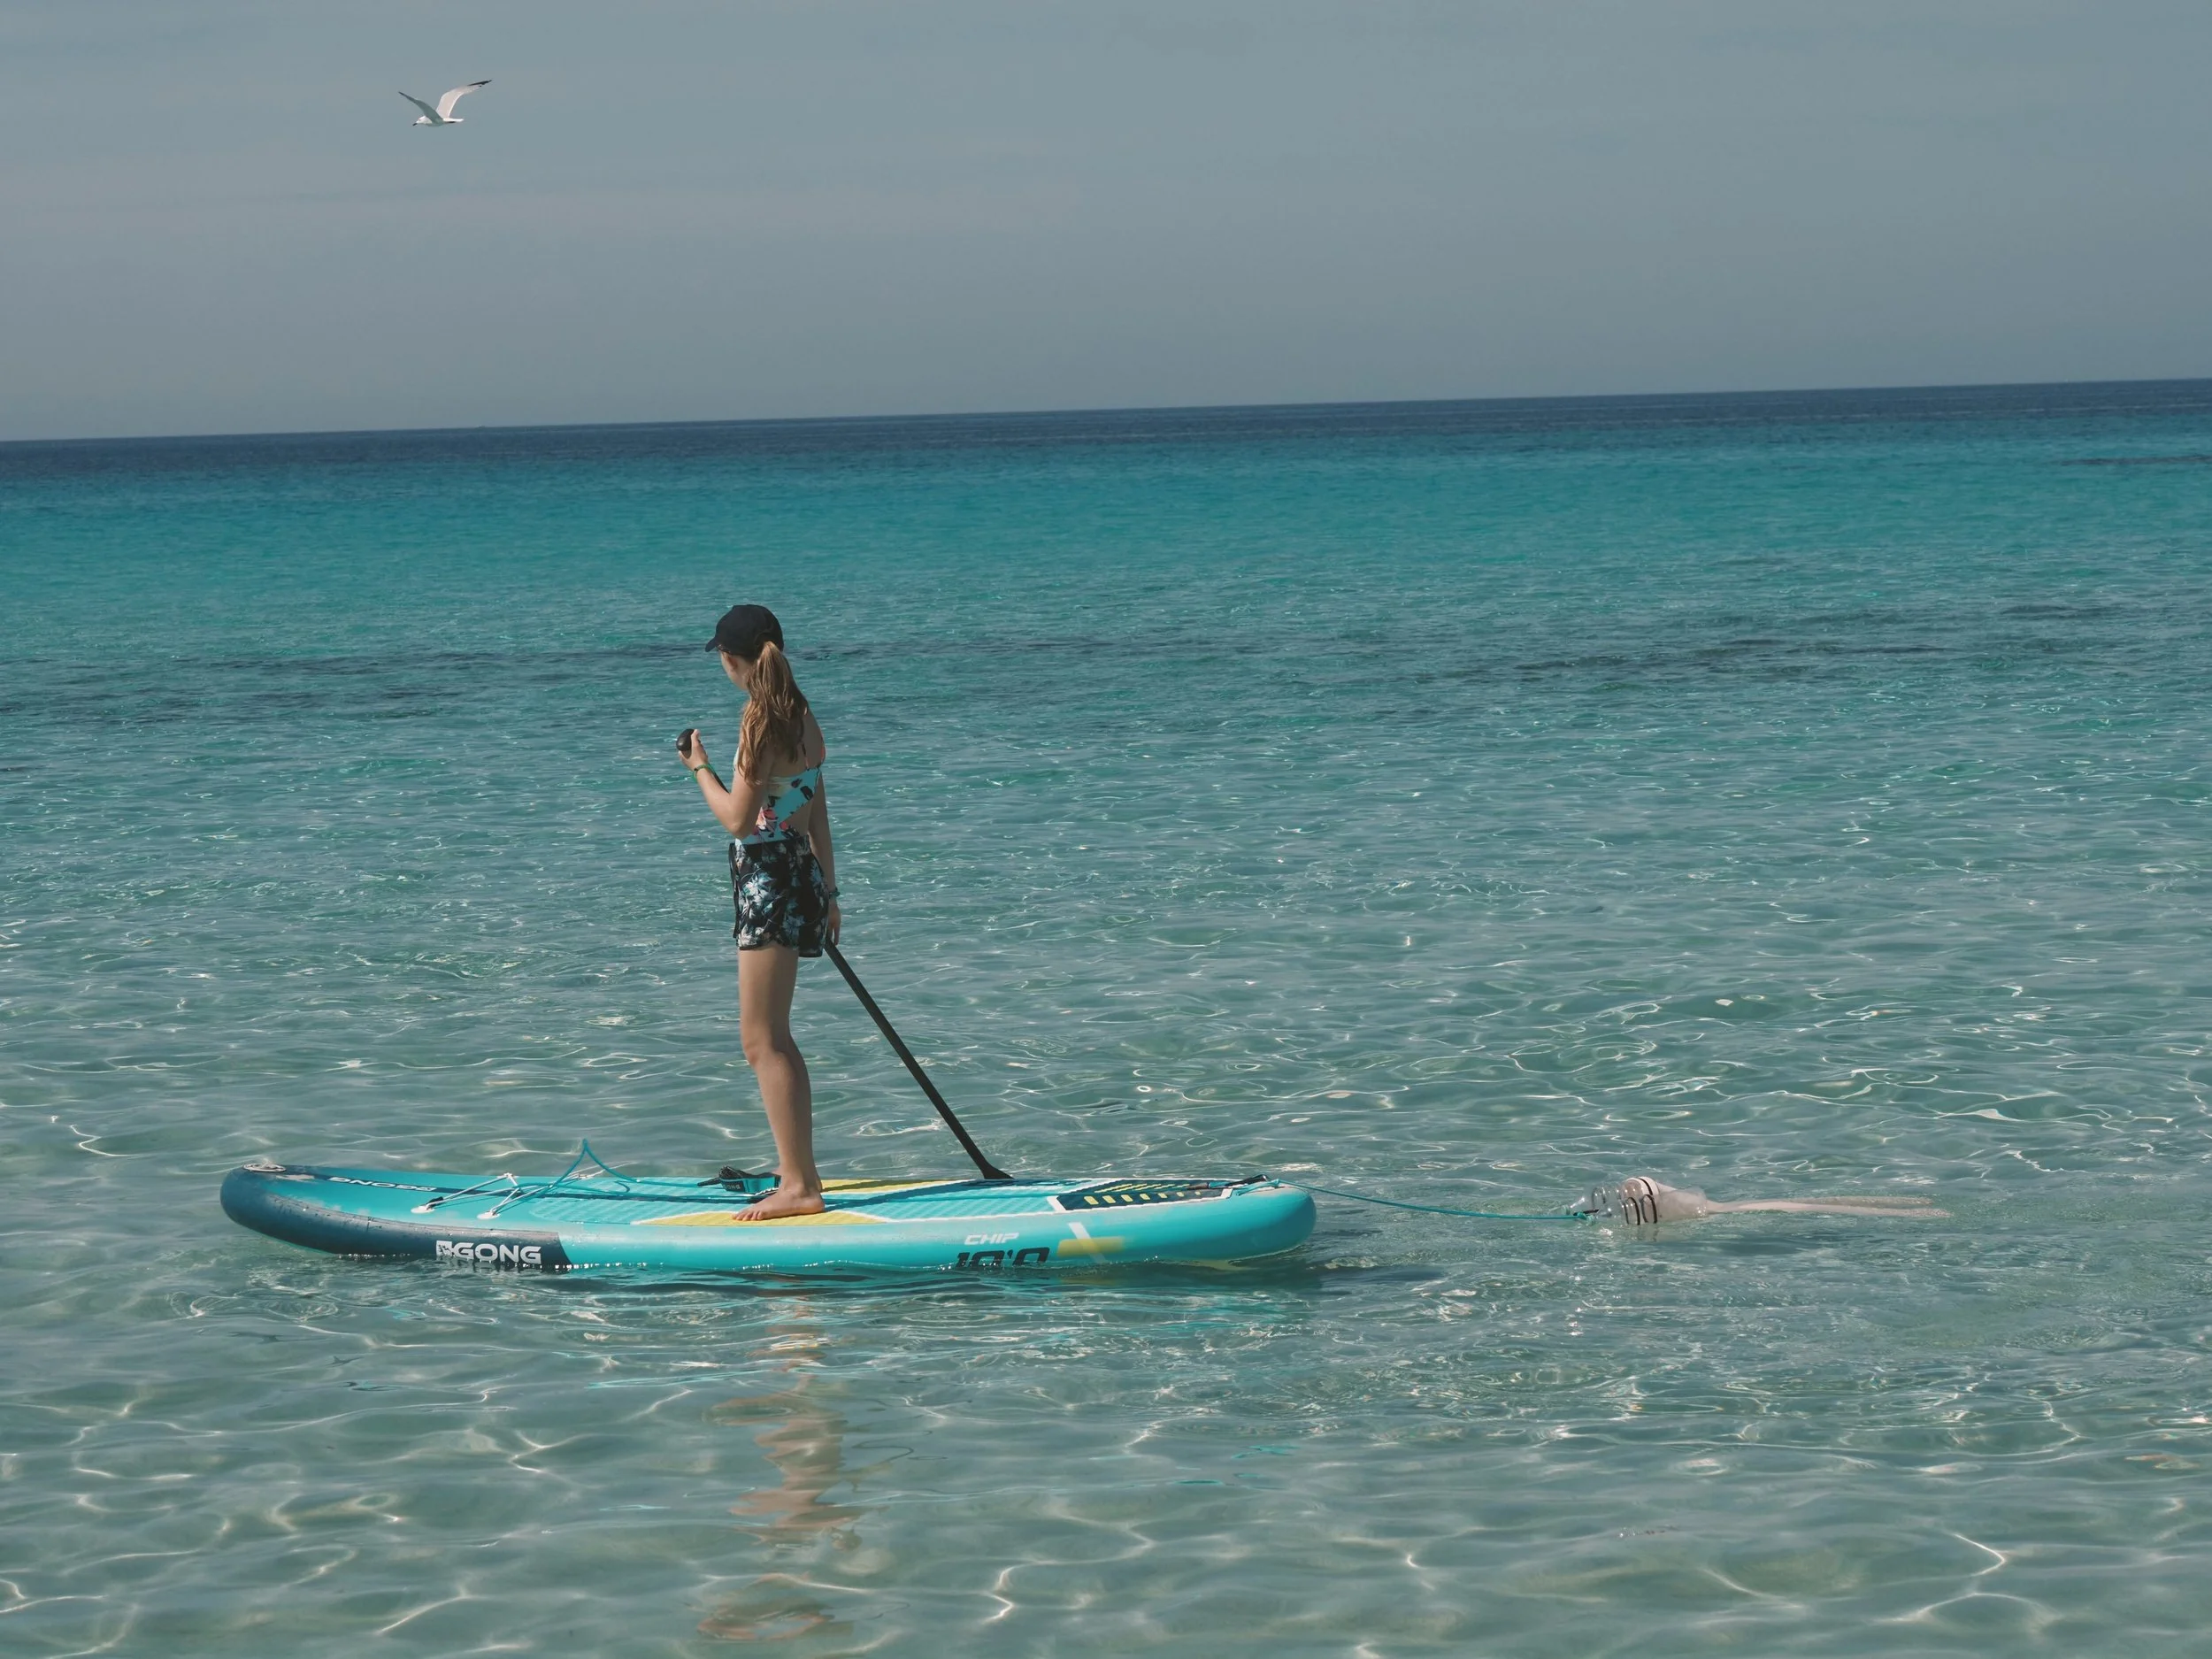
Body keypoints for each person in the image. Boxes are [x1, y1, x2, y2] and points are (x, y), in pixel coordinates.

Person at [677, 604, 841, 1221]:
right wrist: (830, 892)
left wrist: (699, 768)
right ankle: (797, 1168)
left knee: (761, 1040)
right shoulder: (802, 712)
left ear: (734, 661)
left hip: (766, 882)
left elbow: (738, 818)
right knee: (777, 1037)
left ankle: (800, 1184)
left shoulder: (760, 721)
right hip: (800, 875)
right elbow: (817, 808)